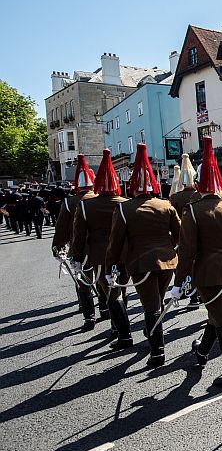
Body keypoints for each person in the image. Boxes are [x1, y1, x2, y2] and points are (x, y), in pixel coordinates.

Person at [173, 137, 222, 388]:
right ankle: (203, 350)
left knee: (221, 317)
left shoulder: (193, 211)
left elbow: (187, 251)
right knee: (215, 313)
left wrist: (179, 281)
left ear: (199, 184)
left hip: (207, 272)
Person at [105, 143, 181, 367]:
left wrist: (111, 267)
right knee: (156, 301)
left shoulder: (124, 209)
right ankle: (152, 332)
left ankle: (158, 351)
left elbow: (115, 243)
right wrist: (169, 249)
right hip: (167, 261)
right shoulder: (166, 205)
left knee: (151, 306)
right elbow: (178, 235)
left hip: (141, 262)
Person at [71, 149, 130, 346]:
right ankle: (117, 325)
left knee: (111, 294)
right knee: (120, 289)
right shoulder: (125, 203)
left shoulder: (86, 206)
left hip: (99, 256)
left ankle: (122, 332)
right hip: (124, 254)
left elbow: (78, 235)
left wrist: (77, 257)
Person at [52, 155, 97, 330]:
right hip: (101, 246)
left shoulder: (70, 202)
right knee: (103, 279)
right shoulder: (99, 197)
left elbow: (61, 228)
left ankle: (89, 316)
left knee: (83, 281)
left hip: (78, 246)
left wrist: (57, 245)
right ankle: (106, 308)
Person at [169, 154, 203, 306]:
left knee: (186, 265)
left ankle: (191, 294)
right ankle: (199, 294)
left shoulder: (175, 197)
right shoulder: (199, 195)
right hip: (200, 234)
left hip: (183, 235)